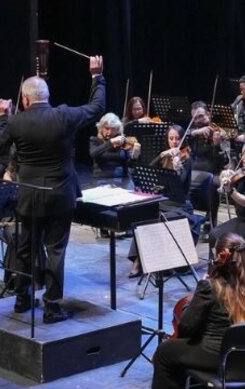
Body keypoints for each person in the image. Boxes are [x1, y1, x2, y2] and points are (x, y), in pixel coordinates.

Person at [0, 55, 106, 323]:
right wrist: (97, 76)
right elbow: (96, 107)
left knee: (25, 249)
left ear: (25, 100)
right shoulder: (63, 115)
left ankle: (22, 298)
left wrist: (1, 117)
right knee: (56, 250)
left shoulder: (16, 121)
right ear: (46, 96)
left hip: (29, 195)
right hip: (60, 194)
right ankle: (52, 307)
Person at [143, 233, 245, 389]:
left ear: (219, 256)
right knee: (183, 348)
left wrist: (201, 290)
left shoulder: (210, 286)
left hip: (217, 354)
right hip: (244, 355)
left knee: (165, 352)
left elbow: (187, 327)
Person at [127, 124, 205, 278]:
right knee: (145, 217)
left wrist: (177, 168)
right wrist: (163, 154)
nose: (174, 142)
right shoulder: (166, 156)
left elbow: (181, 186)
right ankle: (138, 260)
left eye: (177, 138)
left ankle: (161, 263)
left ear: (183, 139)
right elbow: (149, 169)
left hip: (180, 204)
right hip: (163, 201)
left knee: (159, 220)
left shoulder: (186, 159)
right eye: (171, 138)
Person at [184, 102, 230, 224]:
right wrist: (195, 133)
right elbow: (181, 136)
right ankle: (184, 215)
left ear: (208, 114)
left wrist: (217, 145)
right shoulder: (192, 132)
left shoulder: (219, 133)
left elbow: (224, 161)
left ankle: (211, 219)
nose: (198, 121)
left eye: (201, 116)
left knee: (215, 182)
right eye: (195, 118)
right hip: (193, 170)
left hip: (213, 171)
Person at [89, 112, 139, 186]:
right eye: (107, 128)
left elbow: (129, 164)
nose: (109, 132)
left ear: (118, 129)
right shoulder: (95, 140)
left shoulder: (123, 141)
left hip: (122, 179)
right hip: (101, 179)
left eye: (113, 129)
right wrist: (111, 142)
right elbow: (93, 154)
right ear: (101, 127)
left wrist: (134, 157)